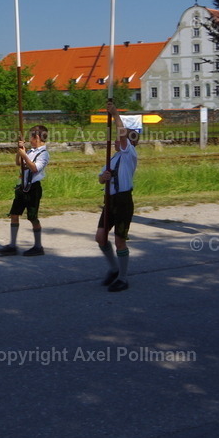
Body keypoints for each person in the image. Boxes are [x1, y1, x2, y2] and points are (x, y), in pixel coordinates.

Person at [96, 100, 140, 293]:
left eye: (120, 138)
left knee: (119, 240)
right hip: (110, 200)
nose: (116, 140)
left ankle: (123, 278)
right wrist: (103, 177)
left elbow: (122, 134)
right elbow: (100, 179)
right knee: (100, 237)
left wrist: (115, 114)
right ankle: (114, 269)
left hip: (123, 200)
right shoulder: (113, 158)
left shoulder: (129, 152)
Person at [0, 125, 49, 257]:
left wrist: (24, 155)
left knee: (32, 217)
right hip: (22, 187)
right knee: (14, 214)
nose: (29, 139)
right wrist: (20, 151)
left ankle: (38, 246)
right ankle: (12, 246)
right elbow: (18, 163)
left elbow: (35, 168)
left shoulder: (44, 154)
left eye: (30, 136)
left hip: (33, 188)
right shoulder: (31, 151)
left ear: (36, 137)